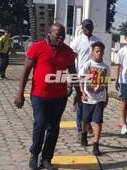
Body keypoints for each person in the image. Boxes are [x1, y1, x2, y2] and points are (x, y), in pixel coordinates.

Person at [14, 23, 79, 170]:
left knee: (53, 128)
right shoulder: (37, 47)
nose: (61, 38)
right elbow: (25, 70)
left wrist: (78, 92)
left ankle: (46, 159)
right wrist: (20, 92)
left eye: (63, 36)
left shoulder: (68, 52)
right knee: (40, 124)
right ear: (50, 33)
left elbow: (73, 72)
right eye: (58, 35)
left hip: (59, 97)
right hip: (39, 95)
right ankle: (34, 154)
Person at [70, 19, 101, 138]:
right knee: (81, 103)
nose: (88, 29)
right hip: (80, 76)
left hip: (94, 76)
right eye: (86, 27)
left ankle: (87, 123)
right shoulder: (77, 41)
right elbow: (72, 59)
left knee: (92, 102)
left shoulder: (97, 41)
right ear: (82, 28)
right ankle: (80, 128)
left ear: (93, 27)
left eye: (90, 27)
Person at [79, 41, 109, 156]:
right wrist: (83, 93)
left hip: (99, 99)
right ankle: (83, 134)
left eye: (101, 51)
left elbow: (105, 84)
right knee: (85, 120)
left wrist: (106, 97)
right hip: (88, 98)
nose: (99, 53)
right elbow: (81, 80)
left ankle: (96, 144)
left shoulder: (105, 68)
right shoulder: (87, 65)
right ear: (92, 53)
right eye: (97, 51)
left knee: (98, 121)